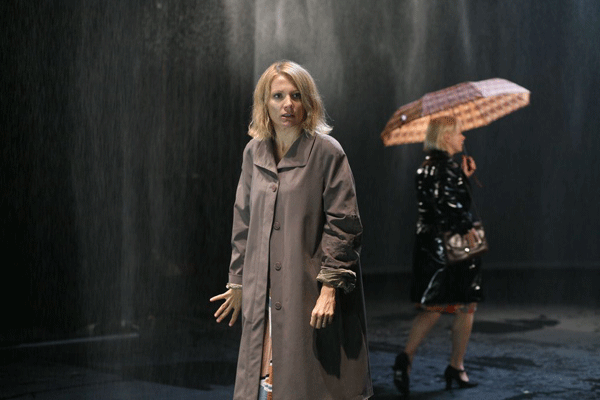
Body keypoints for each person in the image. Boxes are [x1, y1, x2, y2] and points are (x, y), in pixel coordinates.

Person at [210, 60, 373, 400]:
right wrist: (237, 281)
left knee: (306, 382)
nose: (288, 104)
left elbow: (344, 225)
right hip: (263, 288)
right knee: (263, 379)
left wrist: (329, 288)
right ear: (265, 104)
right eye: (278, 96)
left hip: (307, 289)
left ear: (308, 101)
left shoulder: (327, 152)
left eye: (296, 95)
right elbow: (243, 221)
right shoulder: (254, 153)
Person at [392, 116, 483, 396]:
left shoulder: (425, 168)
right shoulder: (448, 168)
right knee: (466, 304)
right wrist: (466, 226)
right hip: (453, 245)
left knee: (433, 306)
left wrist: (464, 177)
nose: (463, 137)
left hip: (429, 245)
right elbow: (449, 205)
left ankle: (406, 358)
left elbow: (437, 203)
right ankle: (456, 366)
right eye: (459, 132)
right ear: (445, 137)